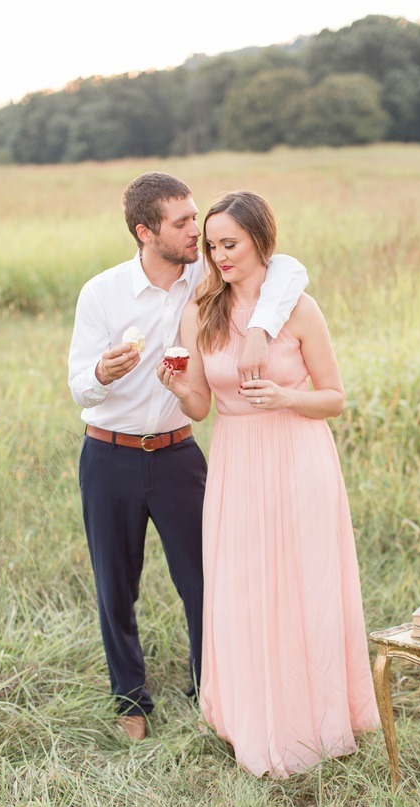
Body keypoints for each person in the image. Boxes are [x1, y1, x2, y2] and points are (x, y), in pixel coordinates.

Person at [68, 173, 308, 741]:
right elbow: (80, 385)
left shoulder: (206, 274)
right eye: (182, 223)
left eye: (195, 217)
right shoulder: (101, 293)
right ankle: (130, 700)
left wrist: (261, 329)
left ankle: (211, 690)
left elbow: (290, 268)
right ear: (145, 232)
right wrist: (102, 372)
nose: (196, 232)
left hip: (180, 454)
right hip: (110, 456)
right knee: (115, 583)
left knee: (204, 579)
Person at [157, 190, 379, 777]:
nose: (219, 256)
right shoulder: (201, 310)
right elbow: (202, 405)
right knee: (246, 586)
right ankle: (252, 717)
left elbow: (334, 398)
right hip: (237, 460)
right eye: (211, 246)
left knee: (303, 583)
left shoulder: (300, 309)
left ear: (261, 240)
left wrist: (285, 397)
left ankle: (317, 715)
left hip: (300, 456)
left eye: (229, 243)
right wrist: (178, 389)